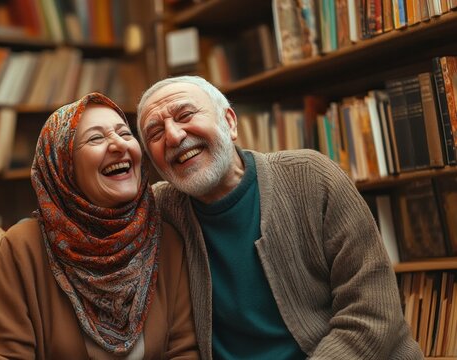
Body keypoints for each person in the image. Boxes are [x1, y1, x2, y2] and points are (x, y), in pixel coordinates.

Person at [136, 75, 424, 360]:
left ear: (230, 122)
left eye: (185, 114)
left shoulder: (310, 176)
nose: (173, 136)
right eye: (155, 133)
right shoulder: (161, 211)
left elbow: (373, 312)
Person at [0, 92, 198, 359]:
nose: (119, 145)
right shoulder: (22, 249)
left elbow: (185, 351)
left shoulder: (168, 241)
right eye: (96, 138)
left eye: (125, 134)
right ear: (63, 165)